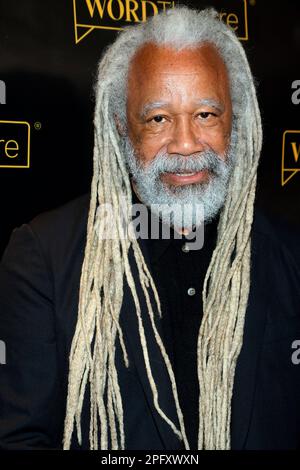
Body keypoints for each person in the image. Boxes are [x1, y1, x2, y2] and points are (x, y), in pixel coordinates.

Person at [0, 6, 300, 451]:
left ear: (236, 124)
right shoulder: (42, 259)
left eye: (206, 114)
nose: (185, 145)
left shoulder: (290, 256)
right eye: (158, 118)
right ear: (123, 129)